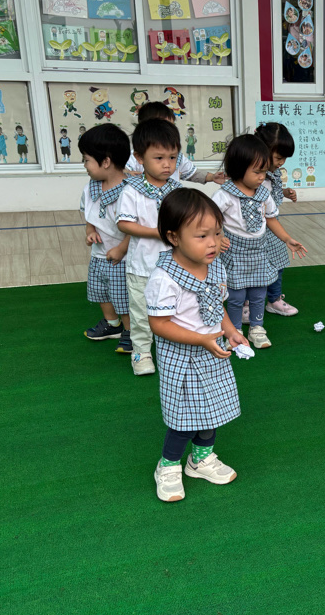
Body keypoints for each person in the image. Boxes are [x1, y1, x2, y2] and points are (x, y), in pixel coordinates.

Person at [146, 189, 247, 502]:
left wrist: (231, 331)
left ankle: (200, 459)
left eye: (217, 233)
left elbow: (217, 306)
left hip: (213, 351)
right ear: (174, 237)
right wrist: (202, 339)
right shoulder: (164, 278)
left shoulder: (215, 266)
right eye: (202, 236)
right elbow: (159, 324)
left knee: (213, 409)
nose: (213, 243)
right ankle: (168, 465)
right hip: (182, 358)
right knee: (184, 418)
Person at [212, 134, 307, 349]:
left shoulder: (263, 193)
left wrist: (287, 239)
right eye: (257, 172)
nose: (262, 176)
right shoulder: (225, 195)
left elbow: (271, 219)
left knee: (258, 294)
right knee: (236, 296)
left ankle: (257, 328)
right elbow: (209, 219)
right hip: (235, 253)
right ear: (238, 168)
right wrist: (218, 237)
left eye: (264, 171)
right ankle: (235, 332)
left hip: (259, 252)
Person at [116, 119, 183, 376]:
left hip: (175, 265)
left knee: (174, 309)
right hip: (142, 267)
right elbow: (124, 224)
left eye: (172, 157)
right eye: (159, 158)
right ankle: (141, 352)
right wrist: (158, 233)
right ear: (139, 157)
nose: (167, 164)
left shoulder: (177, 190)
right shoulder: (131, 190)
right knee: (141, 313)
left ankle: (174, 347)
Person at [80, 124, 132, 354]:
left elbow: (135, 227)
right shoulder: (90, 188)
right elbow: (88, 213)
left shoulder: (129, 192)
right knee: (100, 291)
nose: (84, 165)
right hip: (99, 255)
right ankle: (112, 324)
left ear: (106, 161)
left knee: (123, 298)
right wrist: (90, 230)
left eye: (87, 160)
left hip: (123, 258)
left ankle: (131, 331)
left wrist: (122, 248)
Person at [255, 122, 300, 317]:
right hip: (253, 229)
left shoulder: (273, 172)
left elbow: (271, 193)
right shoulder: (252, 174)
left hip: (272, 228)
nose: (282, 162)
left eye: (284, 158)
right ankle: (247, 303)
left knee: (278, 263)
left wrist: (285, 192)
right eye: (279, 157)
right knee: (252, 266)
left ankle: (274, 300)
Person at [126, 102, 226, 185]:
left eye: (172, 126)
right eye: (159, 158)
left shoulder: (176, 156)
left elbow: (192, 173)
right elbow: (122, 172)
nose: (167, 164)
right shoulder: (134, 157)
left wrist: (212, 177)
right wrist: (126, 173)